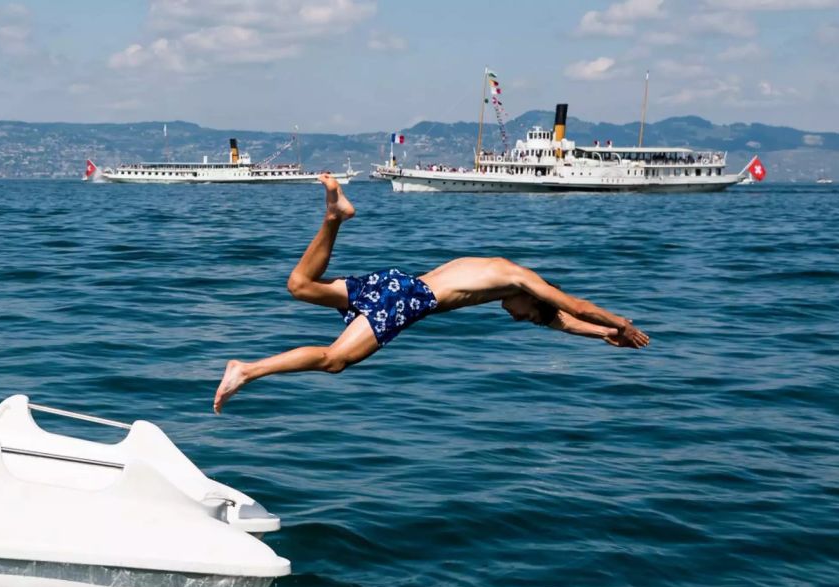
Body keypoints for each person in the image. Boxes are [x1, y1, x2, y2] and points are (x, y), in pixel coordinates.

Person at [213, 175, 650, 414]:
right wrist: (621, 323)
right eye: (529, 317)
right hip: (410, 299)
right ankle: (247, 370)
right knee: (335, 360)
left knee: (300, 286)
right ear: (536, 298)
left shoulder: (503, 278)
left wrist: (601, 337)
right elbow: (570, 306)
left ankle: (335, 216)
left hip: (397, 282)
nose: (519, 319)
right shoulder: (520, 278)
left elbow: (560, 319)